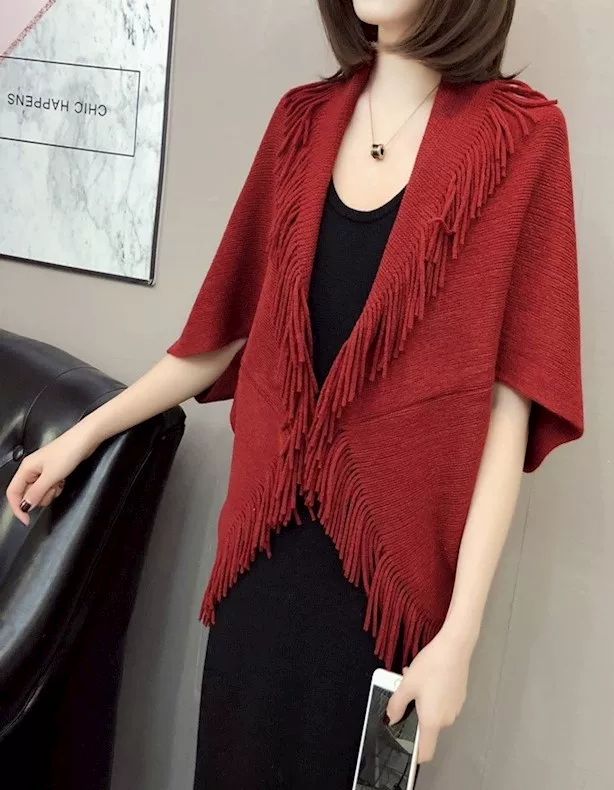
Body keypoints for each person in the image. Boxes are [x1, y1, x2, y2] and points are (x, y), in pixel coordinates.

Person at [6, 0, 584, 787]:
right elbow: (219, 335)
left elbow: (506, 413)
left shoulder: (522, 137)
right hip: (263, 559)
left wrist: (459, 639)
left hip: (385, 589)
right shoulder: (302, 121)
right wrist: (81, 437)